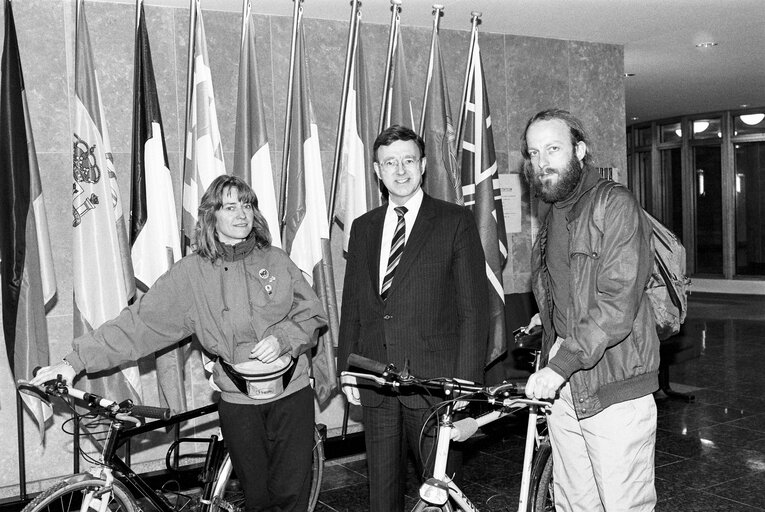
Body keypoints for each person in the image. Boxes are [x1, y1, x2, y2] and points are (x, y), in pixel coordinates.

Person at [31, 175, 327, 512]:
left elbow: (312, 314)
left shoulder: (276, 260)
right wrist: (72, 362)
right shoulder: (190, 275)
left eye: (247, 204)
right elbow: (137, 324)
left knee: (291, 497)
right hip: (239, 402)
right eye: (230, 206)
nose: (242, 213)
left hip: (292, 396)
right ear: (210, 216)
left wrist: (283, 338)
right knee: (258, 498)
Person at [337, 124, 489, 512]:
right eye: (390, 163)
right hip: (375, 379)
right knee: (381, 494)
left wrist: (466, 387)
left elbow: (474, 310)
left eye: (408, 161)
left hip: (434, 385)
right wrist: (348, 368)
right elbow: (353, 303)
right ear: (377, 170)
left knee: (437, 494)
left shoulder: (454, 221)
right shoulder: (363, 227)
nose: (400, 170)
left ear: (423, 165)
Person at [520, 109, 659, 511]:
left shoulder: (613, 204)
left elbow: (616, 304)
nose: (542, 162)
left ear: (580, 150)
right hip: (564, 381)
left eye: (553, 149)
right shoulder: (553, 213)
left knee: (622, 504)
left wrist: (559, 366)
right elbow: (569, 290)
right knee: (573, 502)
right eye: (534, 153)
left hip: (613, 386)